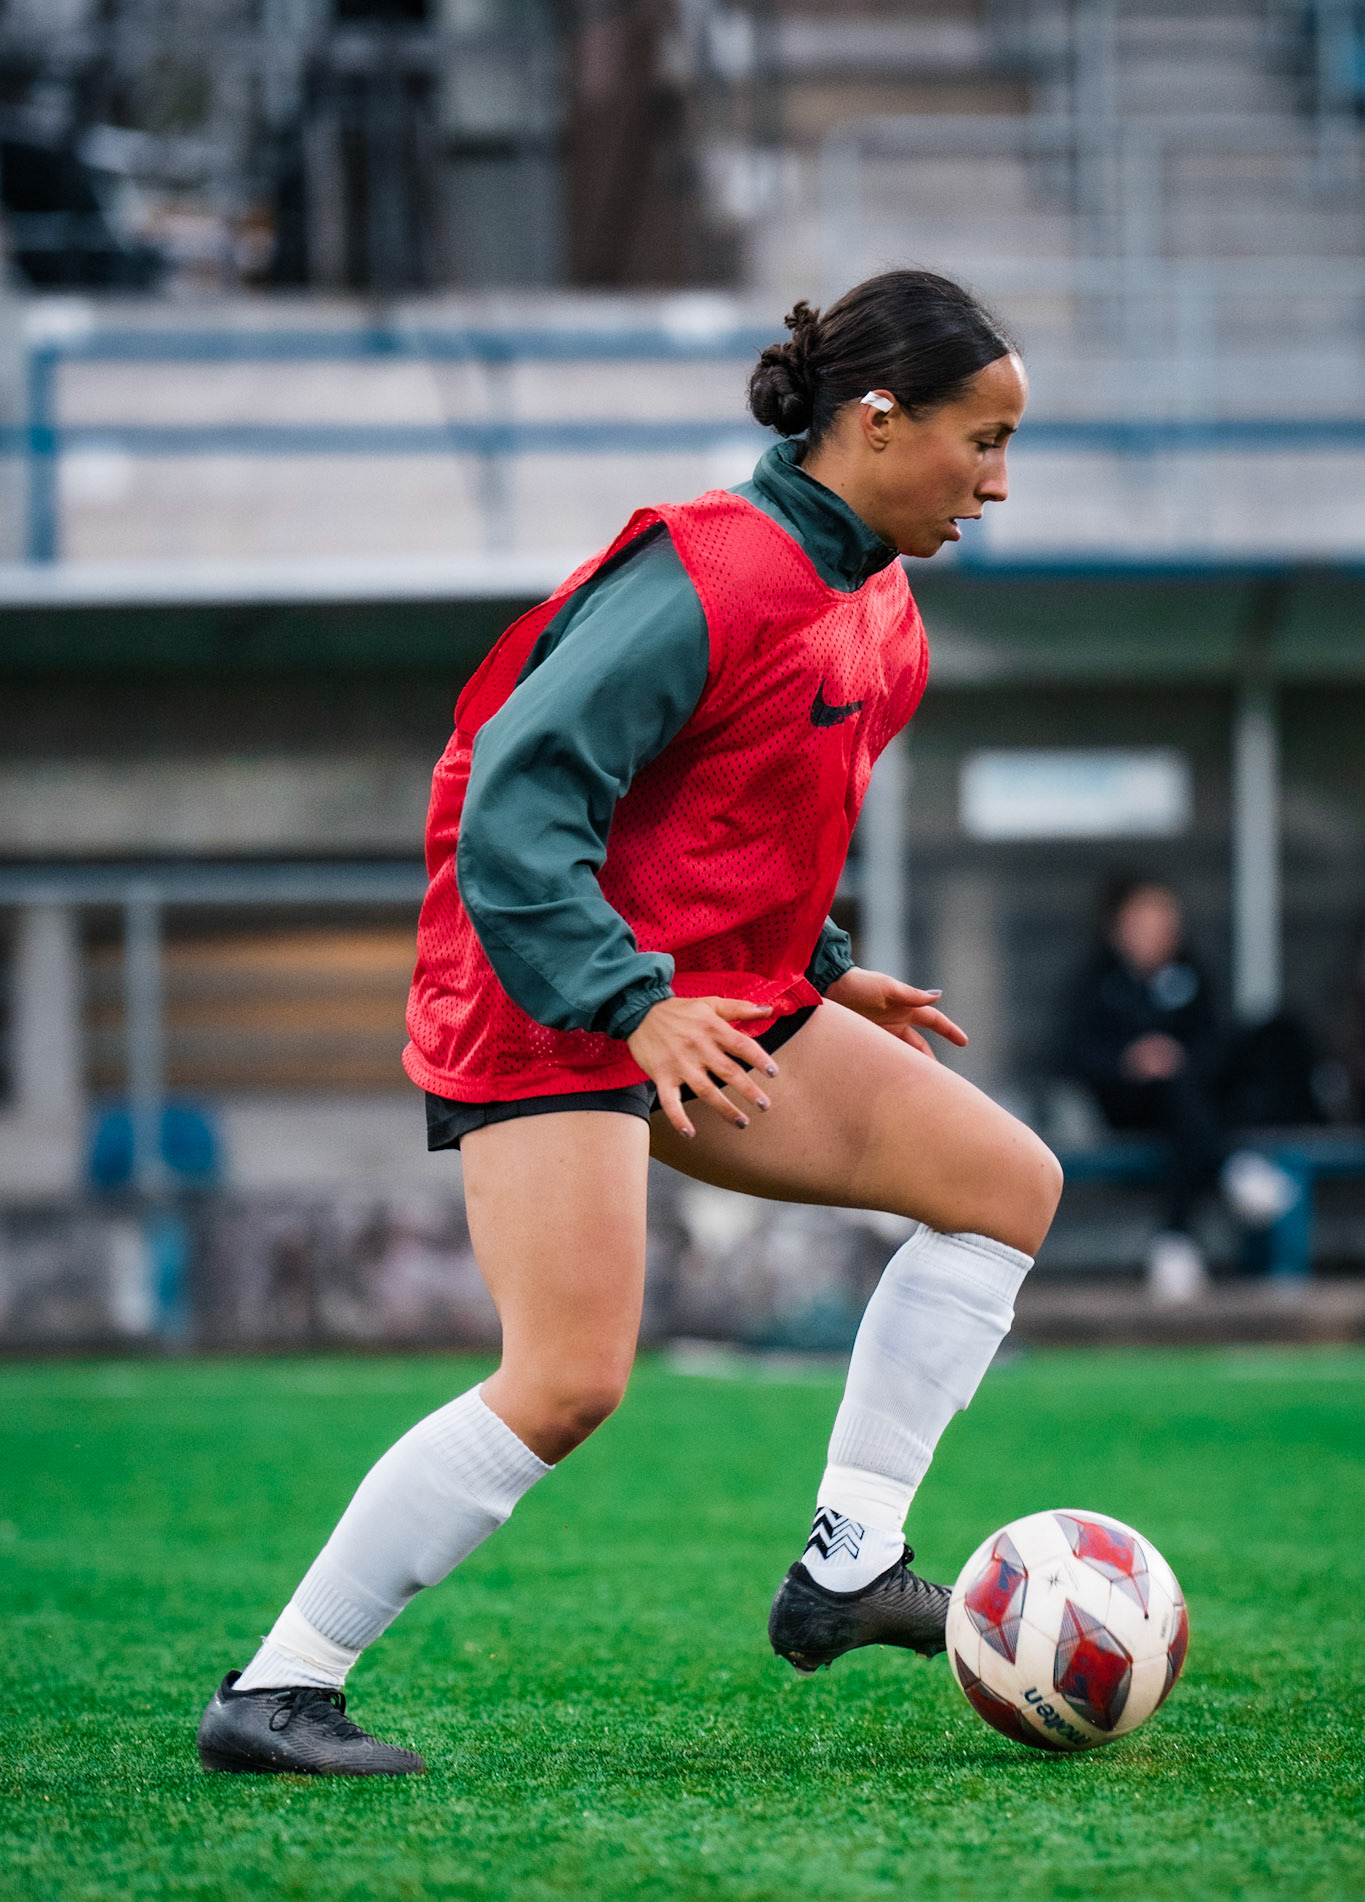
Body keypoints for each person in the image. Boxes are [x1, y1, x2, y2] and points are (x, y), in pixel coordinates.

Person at [198, 270, 1062, 1777]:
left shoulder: (880, 601)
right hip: (543, 988)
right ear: (873, 422)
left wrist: (820, 961)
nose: (995, 483)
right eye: (977, 442)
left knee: (1005, 1187)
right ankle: (277, 1689)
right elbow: (520, 804)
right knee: (568, 1378)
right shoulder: (709, 576)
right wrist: (631, 999)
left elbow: (737, 817)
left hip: (696, 997)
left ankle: (848, 1565)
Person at [1061, 875, 1298, 1299]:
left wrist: (1176, 1059)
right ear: (1121, 929)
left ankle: (1175, 1241)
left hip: (1186, 1108)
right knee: (1181, 1103)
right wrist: (1129, 1062)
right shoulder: (1094, 982)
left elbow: (1216, 1047)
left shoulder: (1192, 975)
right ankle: (1230, 1168)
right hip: (1124, 1105)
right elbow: (1073, 1054)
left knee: (1183, 1096)